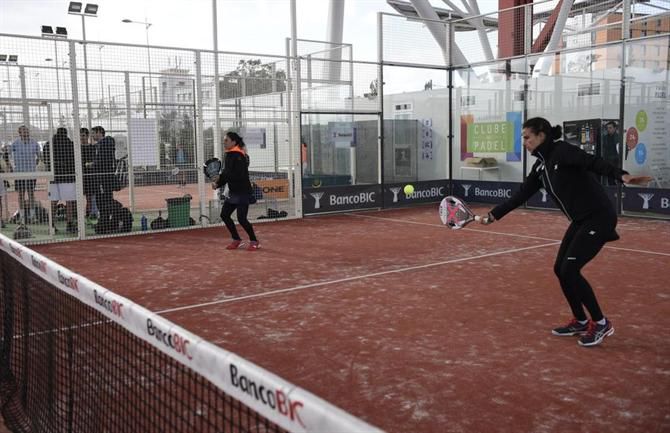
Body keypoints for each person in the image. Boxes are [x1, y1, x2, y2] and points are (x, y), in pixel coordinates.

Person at [476, 117, 651, 348]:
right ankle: (580, 320)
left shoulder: (562, 151)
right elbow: (520, 195)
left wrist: (622, 175)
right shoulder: (540, 167)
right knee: (560, 269)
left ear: (541, 135)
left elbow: (592, 162)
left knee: (570, 269)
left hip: (598, 217)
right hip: (581, 220)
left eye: (527, 137)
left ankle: (600, 323)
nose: (525, 142)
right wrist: (493, 215)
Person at [212, 131, 259, 251]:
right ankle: (236, 239)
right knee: (224, 215)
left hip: (243, 192)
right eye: (224, 141)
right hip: (233, 192)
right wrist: (218, 184)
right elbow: (227, 174)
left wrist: (220, 178)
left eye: (226, 140)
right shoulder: (229, 155)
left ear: (233, 142)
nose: (224, 143)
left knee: (242, 218)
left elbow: (239, 175)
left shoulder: (239, 156)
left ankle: (254, 240)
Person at [43, 127, 77, 233]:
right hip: (67, 176)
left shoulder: (49, 144)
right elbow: (74, 159)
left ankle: (51, 225)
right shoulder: (70, 144)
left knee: (53, 201)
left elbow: (45, 159)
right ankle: (69, 224)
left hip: (53, 176)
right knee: (69, 201)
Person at [9, 125, 41, 224]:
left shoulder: (34, 143)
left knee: (31, 193)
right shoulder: (15, 143)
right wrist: (11, 166)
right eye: (23, 131)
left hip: (31, 172)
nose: (26, 132)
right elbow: (8, 154)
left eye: (27, 130)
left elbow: (39, 155)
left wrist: (35, 162)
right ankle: (22, 216)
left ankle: (32, 216)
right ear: (19, 133)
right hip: (19, 173)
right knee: (21, 194)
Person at [89, 126, 116, 234]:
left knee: (102, 200)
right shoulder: (104, 145)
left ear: (100, 133)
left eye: (93, 133)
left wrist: (92, 164)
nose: (92, 136)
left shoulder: (104, 145)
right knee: (105, 199)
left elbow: (101, 161)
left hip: (103, 178)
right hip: (105, 177)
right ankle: (106, 222)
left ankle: (105, 223)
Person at [80, 128, 99, 219]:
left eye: (83, 135)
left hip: (90, 176)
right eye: (80, 135)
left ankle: (90, 214)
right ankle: (78, 215)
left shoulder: (93, 147)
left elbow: (94, 161)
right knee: (78, 196)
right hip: (79, 176)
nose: (81, 137)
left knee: (90, 196)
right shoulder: (76, 148)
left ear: (87, 136)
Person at [601, 121, 620, 186]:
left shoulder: (619, 137)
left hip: (616, 161)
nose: (608, 129)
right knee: (610, 179)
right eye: (607, 128)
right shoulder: (604, 138)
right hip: (607, 160)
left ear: (615, 128)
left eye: (610, 128)